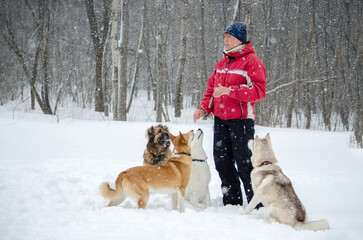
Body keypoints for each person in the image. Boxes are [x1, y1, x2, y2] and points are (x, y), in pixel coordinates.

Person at [193, 22, 266, 206]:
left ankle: (256, 204)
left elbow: (259, 91)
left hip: (241, 121)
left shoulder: (252, 61)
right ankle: (232, 203)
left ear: (240, 39)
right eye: (225, 37)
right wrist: (204, 108)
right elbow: (211, 90)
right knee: (222, 162)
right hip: (221, 121)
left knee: (245, 164)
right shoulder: (222, 63)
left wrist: (231, 91)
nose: (225, 40)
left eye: (230, 37)